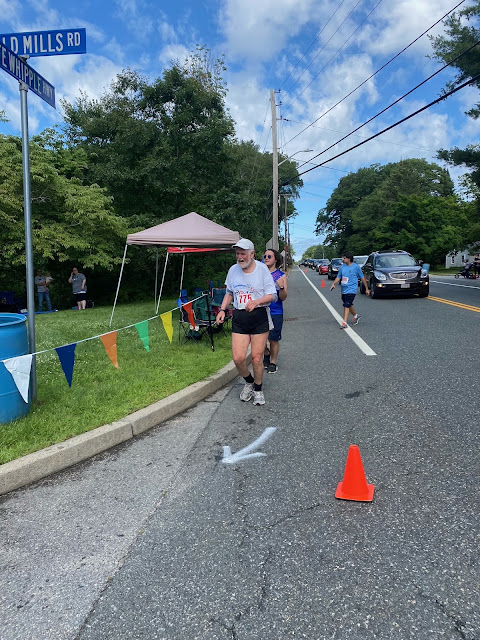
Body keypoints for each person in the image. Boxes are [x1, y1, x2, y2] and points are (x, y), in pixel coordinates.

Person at [217, 239, 277, 406]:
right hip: (240, 317)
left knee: (257, 358)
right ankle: (249, 382)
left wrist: (256, 302)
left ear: (252, 254)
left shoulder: (262, 269)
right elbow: (229, 292)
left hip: (259, 316)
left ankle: (258, 390)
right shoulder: (233, 270)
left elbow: (273, 295)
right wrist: (222, 309)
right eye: (237, 253)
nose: (240, 257)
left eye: (243, 253)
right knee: (238, 358)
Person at [262, 249, 287, 374]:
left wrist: (281, 286)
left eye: (269, 256)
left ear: (275, 259)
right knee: (260, 338)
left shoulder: (280, 275)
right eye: (265, 256)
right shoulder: (260, 274)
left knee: (273, 338)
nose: (266, 258)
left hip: (275, 311)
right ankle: (266, 353)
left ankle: (273, 362)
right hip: (261, 310)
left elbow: (283, 297)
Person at [330, 252, 369, 328]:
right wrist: (333, 284)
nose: (343, 259)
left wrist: (367, 288)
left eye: (344, 258)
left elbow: (362, 278)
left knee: (346, 305)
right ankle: (355, 316)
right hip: (344, 289)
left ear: (349, 259)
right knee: (348, 303)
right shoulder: (342, 267)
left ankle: (344, 323)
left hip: (352, 289)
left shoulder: (356, 267)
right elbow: (339, 276)